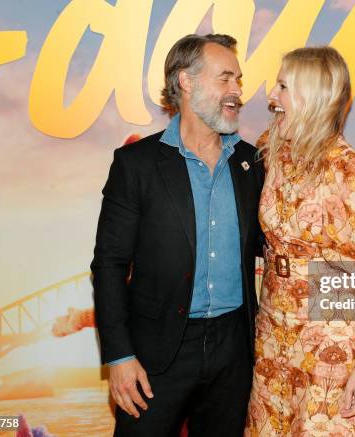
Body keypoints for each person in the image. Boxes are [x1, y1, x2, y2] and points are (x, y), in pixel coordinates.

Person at [91, 33, 264, 437]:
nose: (238, 91)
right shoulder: (135, 165)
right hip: (156, 356)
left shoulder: (251, 163)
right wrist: (119, 356)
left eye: (238, 80)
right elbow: (109, 264)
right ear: (186, 82)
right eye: (225, 79)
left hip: (233, 352)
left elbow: (270, 247)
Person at [245, 46, 355, 436]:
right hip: (273, 333)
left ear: (311, 98)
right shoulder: (274, 150)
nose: (270, 97)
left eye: (282, 87)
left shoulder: (354, 170)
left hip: (333, 339)